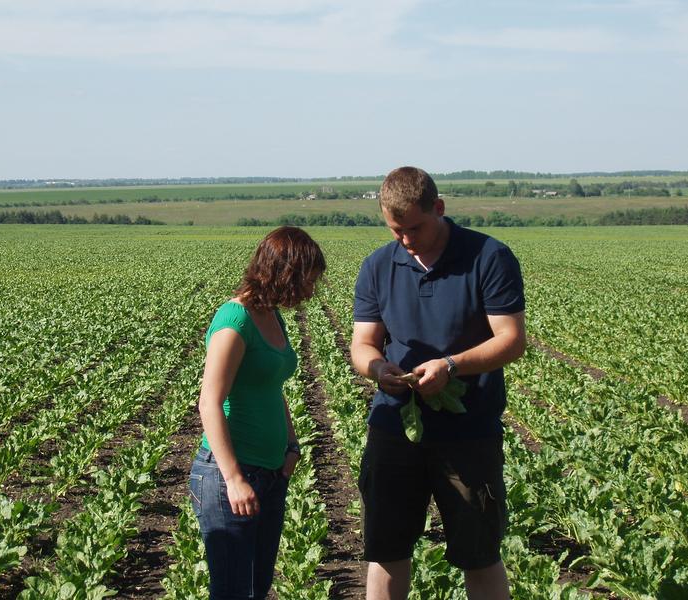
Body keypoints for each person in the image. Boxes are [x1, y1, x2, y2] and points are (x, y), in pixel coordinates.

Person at [350, 167, 526, 600]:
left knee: (479, 552)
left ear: (439, 208)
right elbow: (363, 343)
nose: (405, 240)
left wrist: (451, 365)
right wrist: (377, 370)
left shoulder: (488, 256)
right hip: (395, 428)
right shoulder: (377, 265)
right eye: (396, 230)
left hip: (469, 432)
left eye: (414, 227)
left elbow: (511, 340)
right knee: (386, 550)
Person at [190, 226, 326, 600]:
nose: (311, 292)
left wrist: (293, 444)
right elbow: (209, 402)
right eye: (308, 281)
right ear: (286, 274)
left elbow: (271, 387)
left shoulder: (273, 316)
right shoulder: (235, 322)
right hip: (229, 477)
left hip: (270, 472)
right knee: (234, 591)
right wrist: (234, 478)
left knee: (257, 587)